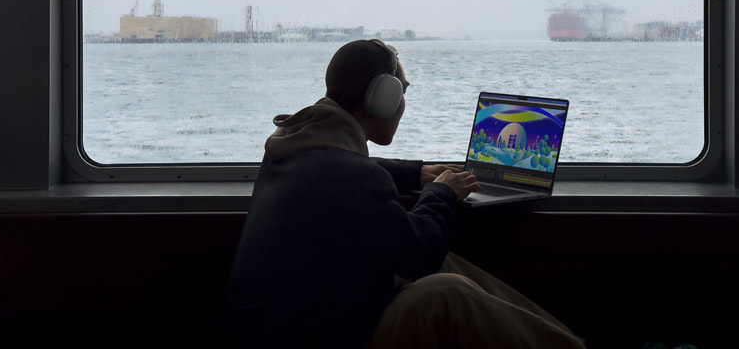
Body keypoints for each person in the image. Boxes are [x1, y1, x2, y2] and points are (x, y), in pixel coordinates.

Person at [228, 39, 585, 348]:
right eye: (402, 91)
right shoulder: (351, 176)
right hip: (320, 338)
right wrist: (442, 192)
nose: (402, 103)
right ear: (382, 98)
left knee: (446, 266)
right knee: (448, 293)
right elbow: (422, 253)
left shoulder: (292, 147)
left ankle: (565, 341)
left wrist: (416, 173)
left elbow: (342, 167)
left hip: (288, 326)